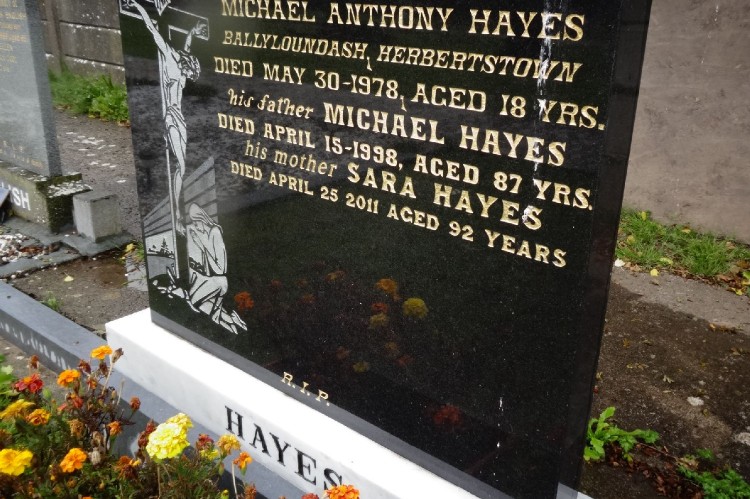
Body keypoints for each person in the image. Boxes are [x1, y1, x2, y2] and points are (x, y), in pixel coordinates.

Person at [126, 0, 206, 230]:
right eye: (188, 72)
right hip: (171, 116)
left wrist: (192, 32)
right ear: (186, 66)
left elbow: (187, 47)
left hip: (179, 116)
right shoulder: (171, 58)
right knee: (180, 164)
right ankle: (177, 215)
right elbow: (153, 31)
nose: (187, 76)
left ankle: (177, 212)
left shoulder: (182, 61)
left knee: (182, 165)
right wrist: (139, 7)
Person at [185, 203, 246, 334]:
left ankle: (233, 320)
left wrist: (201, 244)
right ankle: (234, 324)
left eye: (195, 222)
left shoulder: (215, 232)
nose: (195, 226)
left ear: (200, 219)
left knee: (194, 300)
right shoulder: (209, 233)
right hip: (216, 282)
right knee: (213, 315)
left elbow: (219, 269)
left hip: (219, 282)